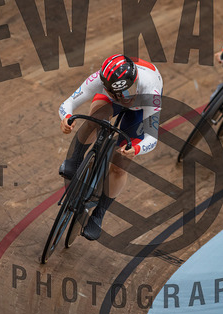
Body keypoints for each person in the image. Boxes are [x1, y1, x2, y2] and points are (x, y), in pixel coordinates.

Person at [58, 55, 163, 241]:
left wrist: (136, 149)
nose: (124, 98)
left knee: (120, 165)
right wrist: (66, 118)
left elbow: (151, 138)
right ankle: (75, 160)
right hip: (110, 100)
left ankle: (98, 214)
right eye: (117, 94)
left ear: (136, 82)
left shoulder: (150, 91)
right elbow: (68, 103)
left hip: (139, 110)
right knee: (94, 119)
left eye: (128, 91)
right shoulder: (99, 79)